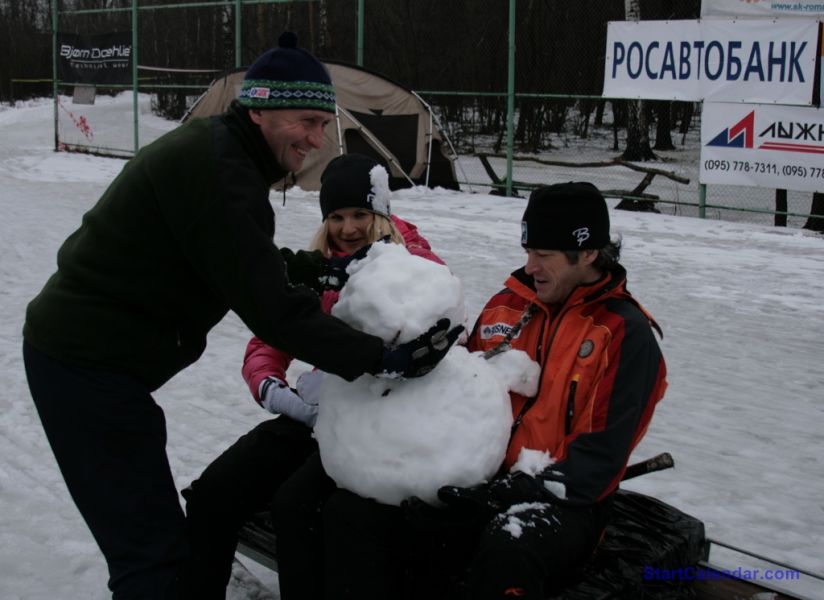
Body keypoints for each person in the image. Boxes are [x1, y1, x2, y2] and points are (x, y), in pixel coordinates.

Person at [20, 32, 460, 600]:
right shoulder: (223, 175)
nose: (316, 137)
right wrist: (382, 358)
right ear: (260, 109)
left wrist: (314, 270)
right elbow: (272, 311)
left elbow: (233, 256)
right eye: (305, 119)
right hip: (87, 369)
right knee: (153, 559)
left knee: (157, 550)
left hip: (93, 364)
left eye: (323, 123)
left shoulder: (218, 154)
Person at [289, 181, 668, 599]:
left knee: (509, 544)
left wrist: (510, 492)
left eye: (545, 255)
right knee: (354, 512)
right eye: (528, 252)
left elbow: (601, 455)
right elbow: (455, 384)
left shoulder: (623, 334)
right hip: (477, 474)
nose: (532, 266)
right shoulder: (509, 304)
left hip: (563, 499)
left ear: (589, 253)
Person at [180, 152, 448, 599]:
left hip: (374, 427)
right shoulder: (314, 264)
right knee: (214, 494)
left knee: (297, 507)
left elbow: (434, 343)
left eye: (361, 214)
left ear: (380, 213)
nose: (348, 229)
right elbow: (269, 337)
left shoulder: (413, 263)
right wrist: (270, 386)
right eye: (337, 216)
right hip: (314, 417)